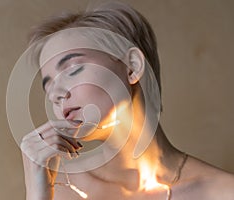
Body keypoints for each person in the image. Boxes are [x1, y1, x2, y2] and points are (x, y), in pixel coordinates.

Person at [20, 2, 234, 200]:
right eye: (47, 86)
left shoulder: (223, 192)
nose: (55, 94)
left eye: (73, 69)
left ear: (132, 66)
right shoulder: (58, 192)